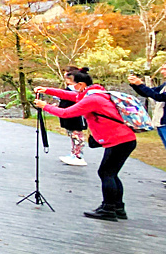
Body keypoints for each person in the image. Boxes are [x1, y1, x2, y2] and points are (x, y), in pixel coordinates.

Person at [34, 67, 135, 221]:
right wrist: (47, 90)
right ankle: (117, 208)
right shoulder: (95, 93)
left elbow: (67, 112)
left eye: (73, 85)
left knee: (106, 173)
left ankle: (109, 209)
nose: (72, 88)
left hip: (119, 140)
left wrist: (45, 106)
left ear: (81, 85)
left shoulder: (92, 99)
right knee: (111, 173)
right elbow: (70, 95)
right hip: (122, 139)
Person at [129, 64, 166, 150]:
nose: (162, 71)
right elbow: (149, 93)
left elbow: (159, 97)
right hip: (161, 123)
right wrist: (136, 85)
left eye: (165, 69)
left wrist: (141, 85)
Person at [56, 66, 88, 166]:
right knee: (72, 134)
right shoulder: (69, 89)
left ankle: (78, 156)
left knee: (77, 135)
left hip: (76, 116)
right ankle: (74, 154)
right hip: (68, 115)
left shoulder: (78, 89)